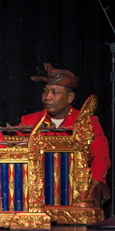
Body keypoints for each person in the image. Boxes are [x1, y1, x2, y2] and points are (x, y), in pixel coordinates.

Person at [20, 63, 110, 197]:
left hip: (76, 192)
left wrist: (89, 187)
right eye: (45, 91)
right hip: (37, 193)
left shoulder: (87, 122)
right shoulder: (28, 122)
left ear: (70, 98)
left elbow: (100, 156)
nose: (47, 97)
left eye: (54, 93)